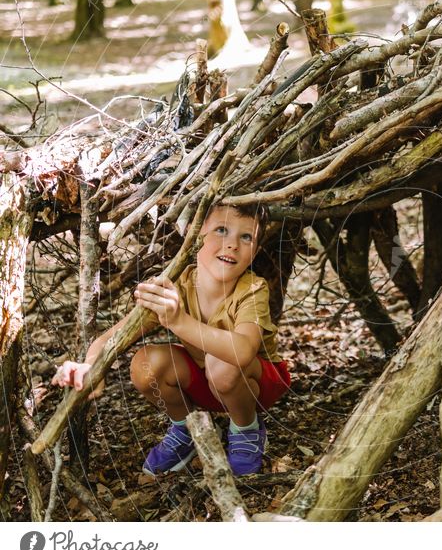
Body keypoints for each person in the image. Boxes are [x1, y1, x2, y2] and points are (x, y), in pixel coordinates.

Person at [52, 204, 291, 476]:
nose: (232, 244)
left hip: (255, 386)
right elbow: (116, 335)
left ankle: (246, 429)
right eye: (221, 230)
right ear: (194, 234)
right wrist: (92, 364)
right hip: (204, 383)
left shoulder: (252, 288)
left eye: (246, 237)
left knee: (223, 361)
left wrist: (179, 321)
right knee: (145, 364)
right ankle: (186, 428)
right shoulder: (176, 285)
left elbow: (244, 351)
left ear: (255, 251)